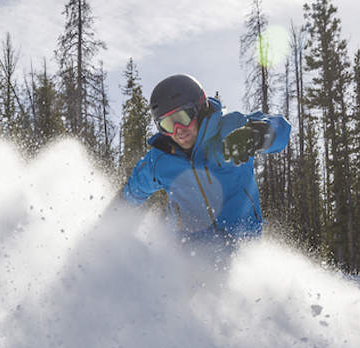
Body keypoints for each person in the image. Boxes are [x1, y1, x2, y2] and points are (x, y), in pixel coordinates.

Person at [120, 74, 291, 247]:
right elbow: (130, 195)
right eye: (167, 124)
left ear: (200, 107)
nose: (178, 130)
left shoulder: (230, 128)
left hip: (243, 246)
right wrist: (106, 228)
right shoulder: (159, 159)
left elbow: (280, 129)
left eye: (183, 118)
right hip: (189, 254)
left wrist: (258, 134)